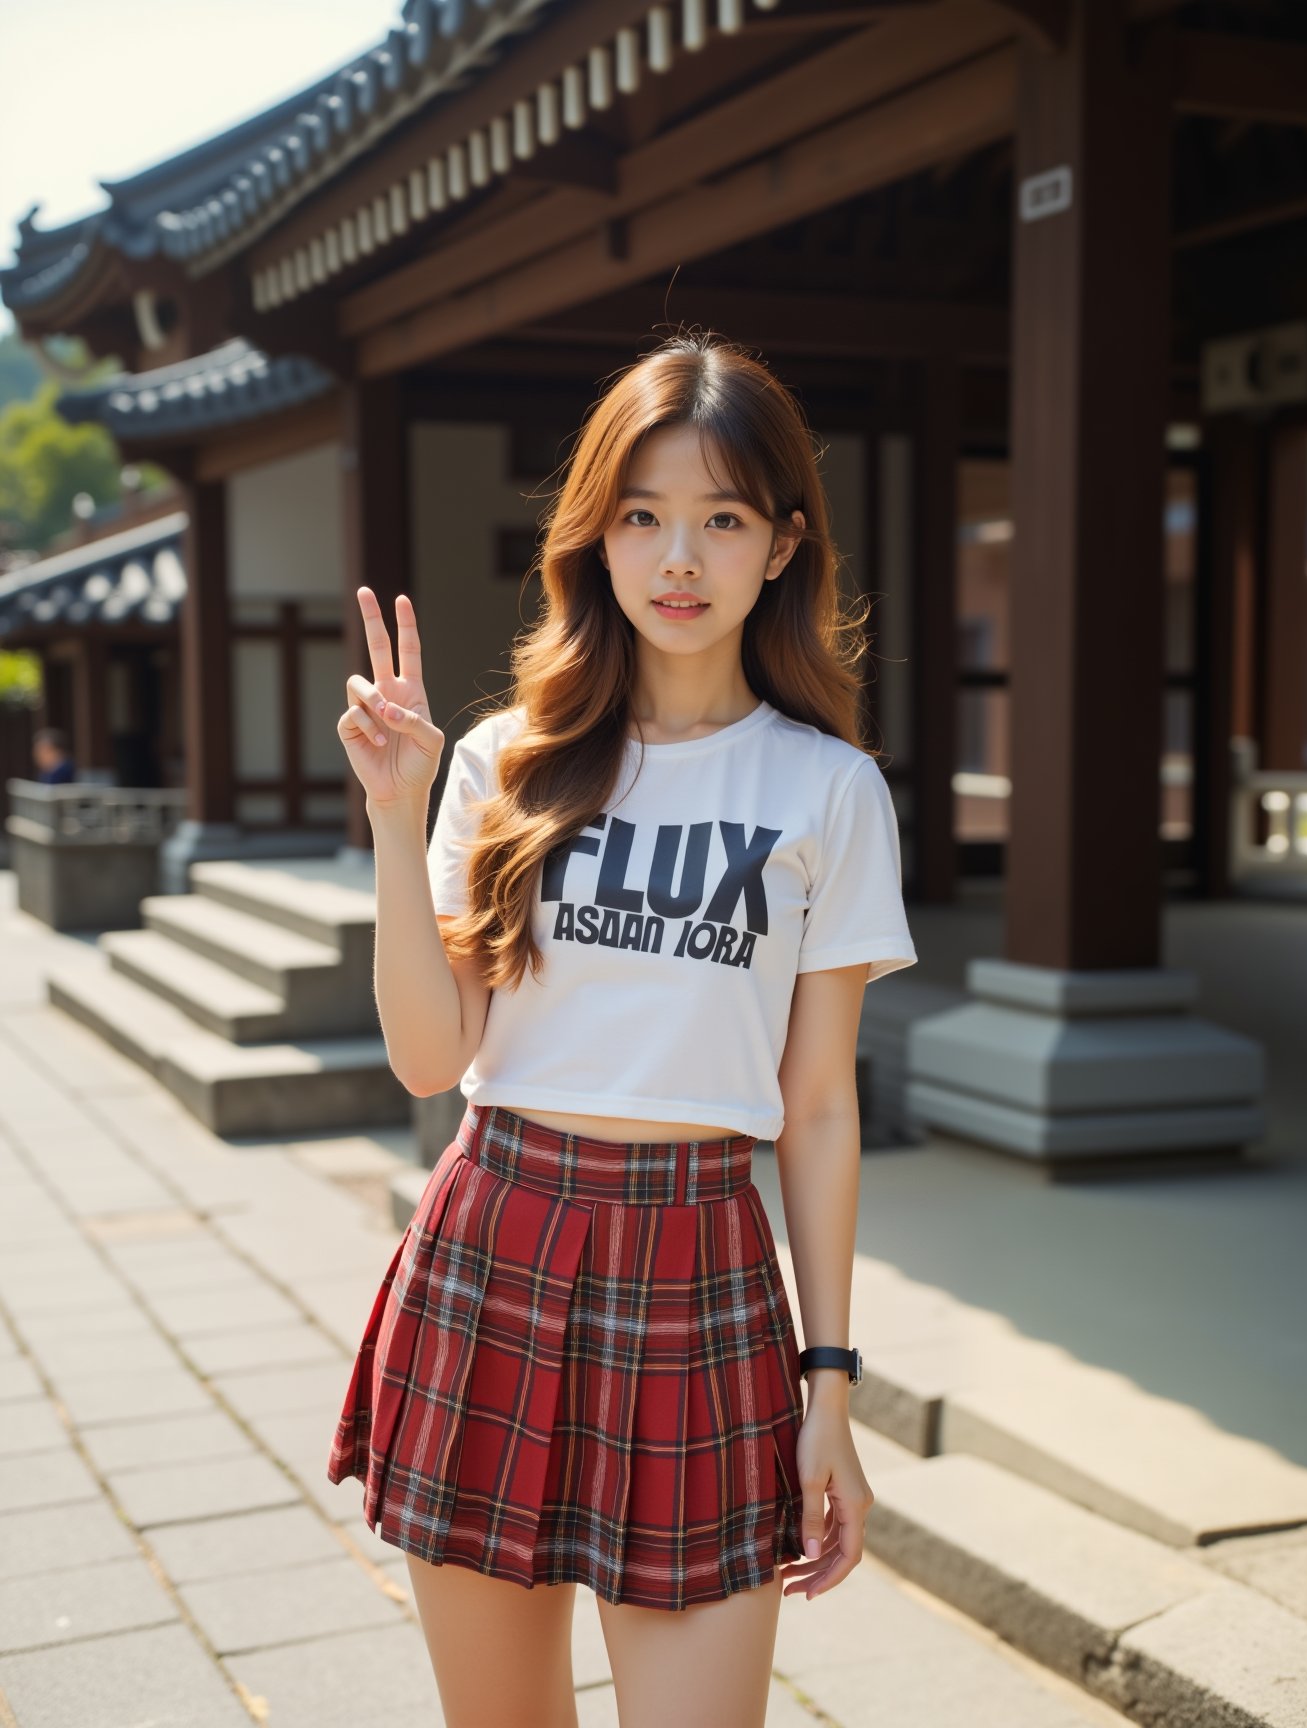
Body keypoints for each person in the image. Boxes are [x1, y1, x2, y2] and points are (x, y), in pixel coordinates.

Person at [327, 331, 918, 1728]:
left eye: (722, 519)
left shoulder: (829, 792)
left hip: (699, 1260)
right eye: (643, 515)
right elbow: (429, 1057)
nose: (679, 558)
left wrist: (829, 1387)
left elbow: (820, 1106)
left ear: (782, 546)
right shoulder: (500, 763)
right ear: (594, 537)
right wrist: (397, 817)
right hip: (498, 1242)